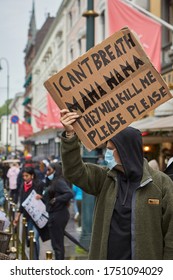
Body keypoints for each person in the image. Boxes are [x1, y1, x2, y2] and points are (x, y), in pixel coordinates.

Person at [60, 109, 173, 260]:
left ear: (126, 151)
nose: (107, 153)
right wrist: (70, 136)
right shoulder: (104, 178)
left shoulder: (161, 184)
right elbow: (74, 171)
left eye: (111, 149)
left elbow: (171, 234)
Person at [13, 166, 46, 260]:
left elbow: (47, 197)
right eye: (23, 176)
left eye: (26, 176)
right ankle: (33, 257)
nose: (24, 178)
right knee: (29, 238)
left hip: (37, 216)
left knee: (34, 237)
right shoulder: (23, 185)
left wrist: (42, 197)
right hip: (27, 216)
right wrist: (17, 216)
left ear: (32, 175)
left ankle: (35, 260)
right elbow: (22, 201)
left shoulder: (39, 184)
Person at [43, 162, 74, 260]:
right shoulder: (54, 181)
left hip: (58, 214)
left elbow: (69, 193)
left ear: (55, 170)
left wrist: (57, 199)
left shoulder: (59, 181)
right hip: (55, 214)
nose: (47, 172)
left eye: (49, 170)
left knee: (57, 245)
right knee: (56, 244)